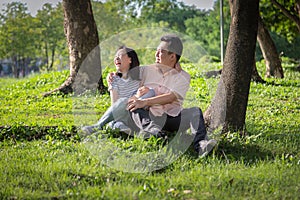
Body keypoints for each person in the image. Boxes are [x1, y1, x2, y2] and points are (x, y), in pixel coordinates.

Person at [122, 34, 217, 156]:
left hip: (172, 119)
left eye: (161, 52)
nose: (156, 54)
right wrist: (114, 76)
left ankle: (201, 145)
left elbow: (171, 97)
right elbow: (127, 72)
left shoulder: (183, 76)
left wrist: (145, 101)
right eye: (156, 51)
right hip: (149, 116)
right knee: (134, 106)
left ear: (172, 56)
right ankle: (155, 133)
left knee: (195, 111)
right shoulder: (146, 70)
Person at [81, 46, 155, 134]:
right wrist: (133, 98)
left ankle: (114, 126)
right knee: (122, 104)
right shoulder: (114, 79)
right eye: (115, 56)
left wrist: (175, 66)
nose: (116, 58)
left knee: (151, 91)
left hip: (135, 113)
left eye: (120, 55)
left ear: (130, 60)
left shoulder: (141, 73)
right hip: (120, 113)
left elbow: (158, 68)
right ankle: (103, 126)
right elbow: (115, 104)